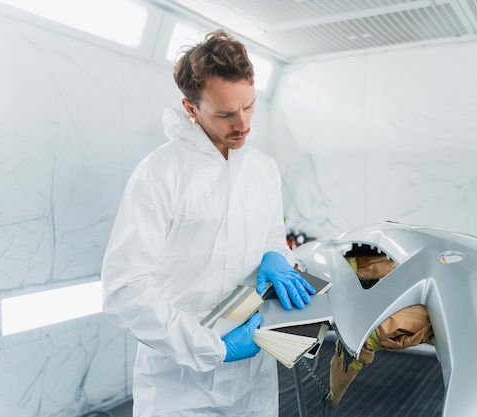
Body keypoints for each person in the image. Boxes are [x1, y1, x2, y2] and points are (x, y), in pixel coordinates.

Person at [101, 29, 315, 417]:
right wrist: (212, 347)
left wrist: (276, 255)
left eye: (249, 107)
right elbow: (124, 290)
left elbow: (272, 238)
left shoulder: (263, 169)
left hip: (254, 385)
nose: (243, 124)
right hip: (180, 388)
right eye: (225, 114)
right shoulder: (160, 174)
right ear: (191, 107)